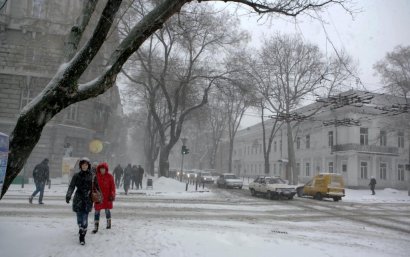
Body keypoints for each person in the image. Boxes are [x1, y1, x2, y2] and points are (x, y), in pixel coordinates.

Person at [66, 157, 101, 245]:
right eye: (83, 165)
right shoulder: (76, 175)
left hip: (88, 199)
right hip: (78, 198)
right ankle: (81, 228)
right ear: (80, 166)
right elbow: (71, 186)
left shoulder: (93, 176)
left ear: (88, 166)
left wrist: (99, 197)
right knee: (79, 218)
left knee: (85, 218)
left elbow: (97, 187)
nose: (84, 166)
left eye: (86, 165)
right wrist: (68, 195)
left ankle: (82, 236)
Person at [92, 162, 116, 233]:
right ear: (99, 169)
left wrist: (112, 194)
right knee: (96, 212)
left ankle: (109, 223)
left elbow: (113, 187)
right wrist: (93, 194)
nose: (102, 170)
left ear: (106, 169)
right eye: (101, 169)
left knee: (107, 211)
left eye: (104, 169)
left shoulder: (110, 176)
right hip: (98, 197)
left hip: (107, 197)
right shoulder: (96, 176)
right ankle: (96, 227)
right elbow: (93, 187)